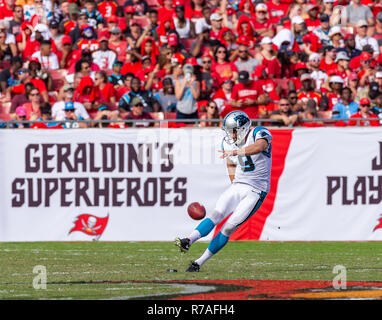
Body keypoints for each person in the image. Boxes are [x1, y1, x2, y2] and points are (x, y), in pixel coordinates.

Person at [175, 110, 272, 272]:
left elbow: (260, 146)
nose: (230, 134)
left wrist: (236, 151)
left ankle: (199, 262)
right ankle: (188, 240)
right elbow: (231, 164)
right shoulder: (227, 143)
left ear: (242, 128)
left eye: (232, 130)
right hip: (238, 185)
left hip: (256, 190)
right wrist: (234, 182)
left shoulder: (257, 133)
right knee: (216, 215)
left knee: (228, 228)